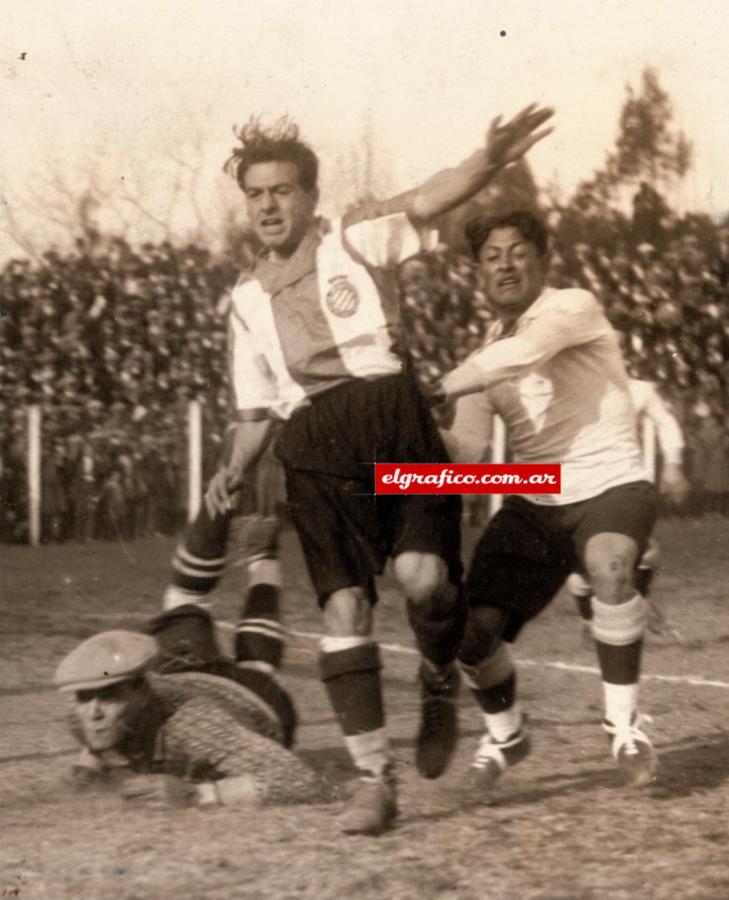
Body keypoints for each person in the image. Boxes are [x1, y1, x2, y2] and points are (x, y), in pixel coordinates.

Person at [203, 108, 553, 834]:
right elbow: (255, 410)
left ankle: (435, 677)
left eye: (282, 191)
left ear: (309, 198)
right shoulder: (241, 304)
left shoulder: (356, 240)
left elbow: (429, 197)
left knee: (425, 581)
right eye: (256, 194)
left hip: (394, 426)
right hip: (316, 453)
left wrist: (485, 160)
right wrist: (230, 467)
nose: (268, 205)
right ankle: (373, 780)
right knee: (343, 609)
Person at [439, 209, 662, 795]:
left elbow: (527, 352)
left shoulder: (571, 307)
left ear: (543, 260)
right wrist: (400, 437)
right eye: (491, 256)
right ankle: (508, 734)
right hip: (536, 501)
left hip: (611, 482)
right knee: (471, 635)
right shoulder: (484, 353)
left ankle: (625, 726)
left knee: (612, 566)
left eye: (518, 251)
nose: (505, 264)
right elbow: (463, 454)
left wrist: (434, 385)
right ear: (478, 273)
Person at [53, 630, 332, 808]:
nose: (94, 712)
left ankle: (261, 557)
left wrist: (197, 794)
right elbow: (96, 733)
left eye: (109, 695)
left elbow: (301, 781)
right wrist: (89, 761)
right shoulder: (79, 717)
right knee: (182, 615)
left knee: (256, 665)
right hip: (181, 672)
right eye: (85, 697)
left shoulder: (195, 724)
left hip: (252, 695)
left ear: (142, 690)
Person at [567, 376, 689, 641]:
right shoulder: (568, 383)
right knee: (580, 562)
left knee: (644, 553)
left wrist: (673, 463)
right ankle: (591, 621)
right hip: (574, 483)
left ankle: (629, 612)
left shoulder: (638, 389)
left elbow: (665, 421)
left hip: (620, 484)